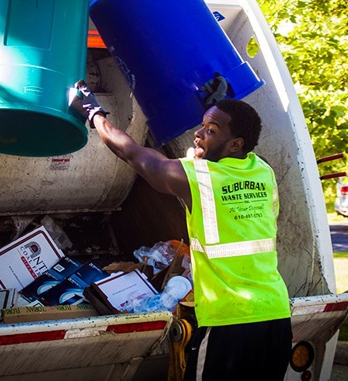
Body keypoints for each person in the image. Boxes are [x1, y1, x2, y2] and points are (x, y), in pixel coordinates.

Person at [70, 79, 292, 380]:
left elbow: (132, 153)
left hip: (230, 320)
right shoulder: (263, 170)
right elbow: (238, 144)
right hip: (276, 316)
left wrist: (93, 111)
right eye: (202, 126)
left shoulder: (197, 178)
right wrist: (217, 118)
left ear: (235, 143)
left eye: (210, 131)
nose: (199, 134)